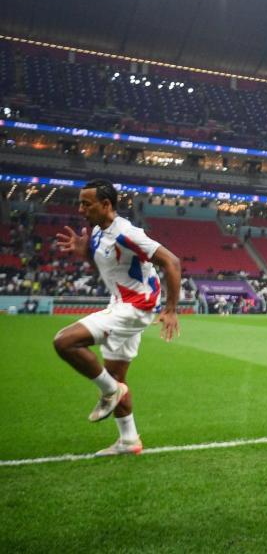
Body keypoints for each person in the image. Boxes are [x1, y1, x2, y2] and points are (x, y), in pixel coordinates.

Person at [53, 179, 181, 456]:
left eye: (86, 204)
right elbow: (109, 266)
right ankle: (128, 440)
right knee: (114, 377)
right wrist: (84, 252)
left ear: (106, 204)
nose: (80, 209)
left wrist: (171, 310)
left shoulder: (126, 233)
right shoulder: (99, 233)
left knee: (64, 342)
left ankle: (111, 391)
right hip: (122, 304)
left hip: (136, 306)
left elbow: (172, 262)